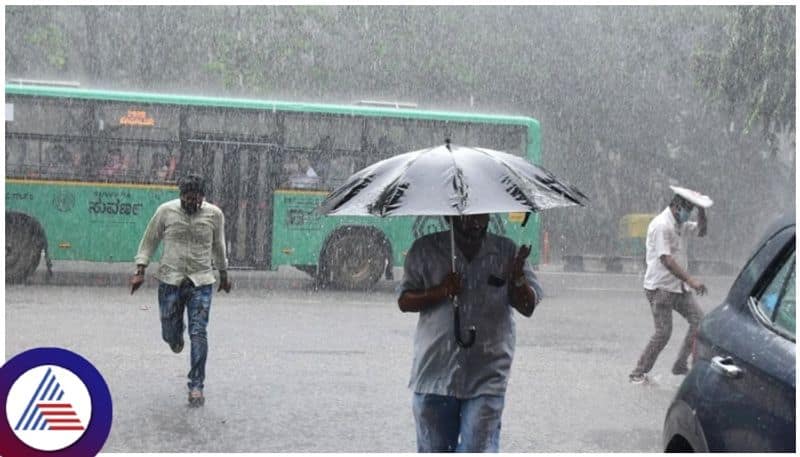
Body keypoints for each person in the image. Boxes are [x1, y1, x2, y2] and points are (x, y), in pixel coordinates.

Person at [398, 214, 543, 452]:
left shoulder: (506, 252)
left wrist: (517, 278)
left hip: (487, 375)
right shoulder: (424, 250)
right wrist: (441, 291)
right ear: (449, 217)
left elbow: (527, 306)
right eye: (467, 217)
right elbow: (405, 300)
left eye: (481, 215)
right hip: (434, 374)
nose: (476, 222)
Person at [130, 173, 232, 406]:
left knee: (199, 332)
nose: (192, 203)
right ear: (181, 196)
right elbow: (149, 241)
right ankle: (175, 337)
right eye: (188, 199)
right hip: (170, 280)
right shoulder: (165, 211)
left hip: (201, 281)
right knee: (170, 332)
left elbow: (219, 245)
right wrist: (140, 270)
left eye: (196, 199)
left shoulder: (214, 215)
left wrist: (224, 274)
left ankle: (196, 385)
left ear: (202, 198)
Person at [628, 188, 709, 384]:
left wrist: (702, 210)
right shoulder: (661, 225)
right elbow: (666, 259)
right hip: (660, 288)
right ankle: (637, 373)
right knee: (663, 332)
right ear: (676, 206)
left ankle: (680, 364)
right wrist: (691, 280)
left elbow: (702, 231)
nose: (687, 214)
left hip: (678, 287)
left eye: (690, 210)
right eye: (686, 209)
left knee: (699, 321)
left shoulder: (680, 223)